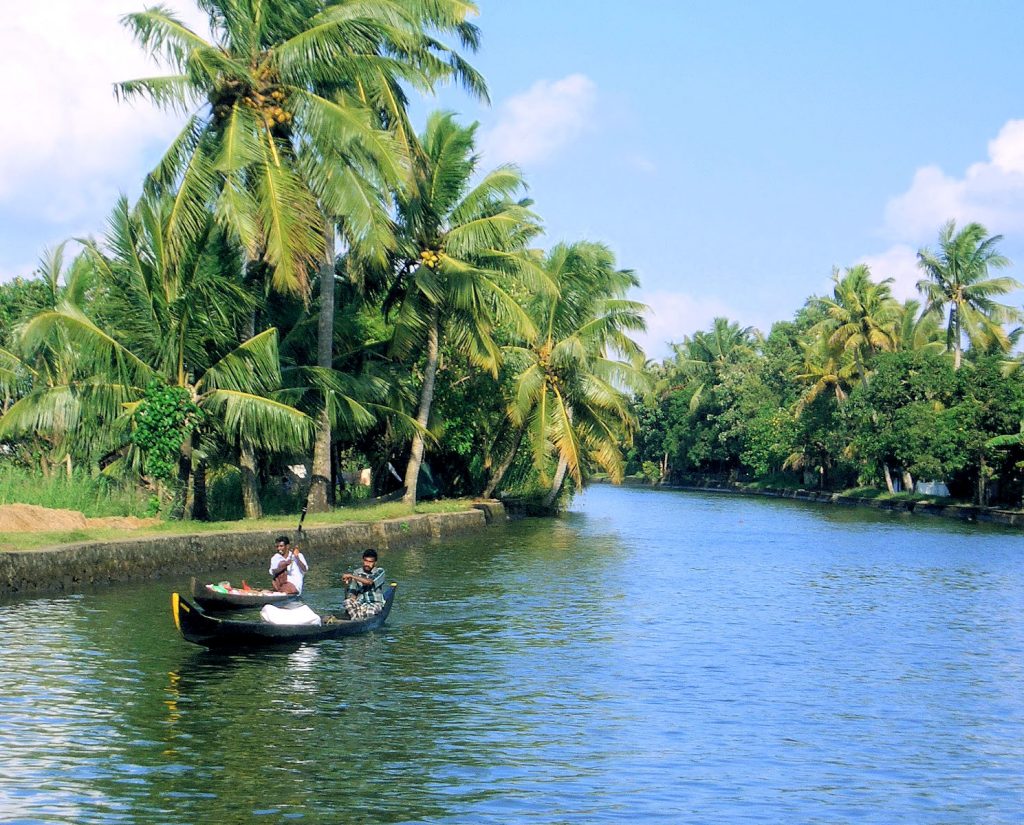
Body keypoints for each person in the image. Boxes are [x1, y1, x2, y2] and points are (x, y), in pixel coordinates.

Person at [341, 549, 385, 619]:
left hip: (374, 603)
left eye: (370, 562)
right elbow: (353, 593)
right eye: (366, 561)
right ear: (363, 560)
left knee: (369, 612)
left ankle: (357, 618)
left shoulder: (380, 571)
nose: (367, 564)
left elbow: (369, 582)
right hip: (361, 603)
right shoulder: (357, 572)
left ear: (375, 562)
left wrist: (351, 576)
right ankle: (356, 619)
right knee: (347, 602)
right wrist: (346, 585)